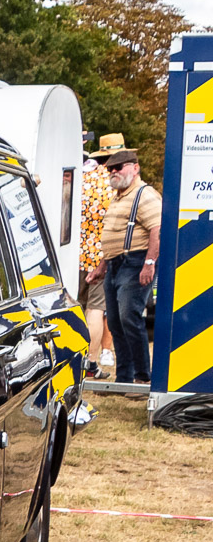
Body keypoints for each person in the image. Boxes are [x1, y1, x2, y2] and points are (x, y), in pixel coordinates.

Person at [94, 148, 160, 386]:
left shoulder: (145, 194)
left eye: (119, 167)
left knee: (128, 317)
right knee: (114, 321)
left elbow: (157, 229)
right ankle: (123, 379)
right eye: (110, 169)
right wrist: (102, 267)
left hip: (135, 262)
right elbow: (116, 237)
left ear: (135, 167)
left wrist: (149, 263)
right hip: (115, 264)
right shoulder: (119, 196)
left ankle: (142, 377)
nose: (113, 172)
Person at [77, 150, 113, 377]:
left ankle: (73, 357)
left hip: (71, 255)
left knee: (76, 308)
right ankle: (90, 362)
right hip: (100, 256)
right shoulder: (107, 182)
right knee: (96, 309)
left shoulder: (72, 178)